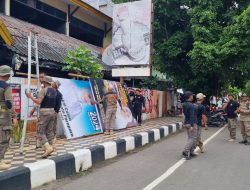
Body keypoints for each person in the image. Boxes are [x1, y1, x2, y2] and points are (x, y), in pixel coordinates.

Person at [26, 76, 57, 158]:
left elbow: (39, 101)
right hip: (52, 112)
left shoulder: (43, 90)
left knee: (40, 131)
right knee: (50, 131)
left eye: (42, 81)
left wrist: (30, 96)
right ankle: (50, 148)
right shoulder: (54, 91)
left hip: (45, 112)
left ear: (44, 82)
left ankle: (48, 148)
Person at [0, 65, 18, 170]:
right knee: (4, 138)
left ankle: (1, 159)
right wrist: (14, 117)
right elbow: (9, 103)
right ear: (7, 75)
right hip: (3, 116)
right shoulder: (6, 86)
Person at [182, 91, 198, 160]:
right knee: (193, 138)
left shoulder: (184, 104)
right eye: (192, 95)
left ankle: (191, 152)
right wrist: (192, 125)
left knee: (190, 138)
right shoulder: (191, 105)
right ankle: (186, 151)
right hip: (191, 123)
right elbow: (191, 116)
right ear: (189, 97)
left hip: (186, 122)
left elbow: (185, 114)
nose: (193, 96)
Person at [51, 80, 62, 145]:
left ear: (55, 85)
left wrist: (56, 111)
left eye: (53, 83)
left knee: (53, 125)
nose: (52, 83)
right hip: (49, 111)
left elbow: (59, 104)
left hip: (54, 111)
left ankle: (53, 138)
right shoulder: (50, 91)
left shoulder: (59, 94)